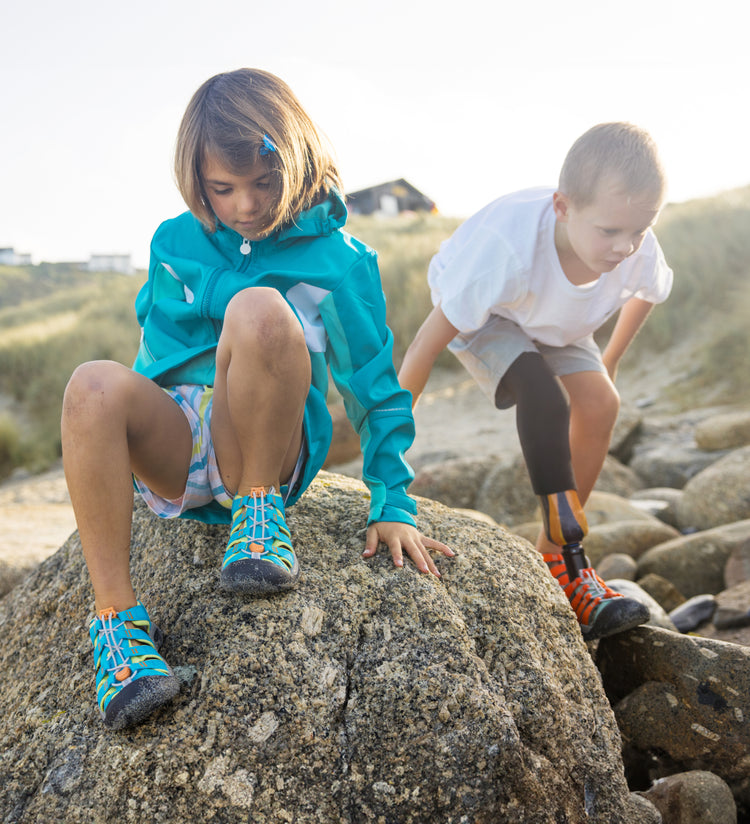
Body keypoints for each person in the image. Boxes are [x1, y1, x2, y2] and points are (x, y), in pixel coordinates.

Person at [61, 68, 453, 731]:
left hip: (268, 447)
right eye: (223, 188)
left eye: (263, 183)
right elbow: (152, 356)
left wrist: (392, 499)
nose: (245, 204)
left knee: (261, 307)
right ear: (196, 180)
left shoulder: (340, 260)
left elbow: (374, 389)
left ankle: (257, 512)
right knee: (89, 384)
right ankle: (117, 632)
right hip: (183, 443)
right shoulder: (172, 243)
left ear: (296, 162)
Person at [399, 122, 673, 641]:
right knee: (544, 396)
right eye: (610, 231)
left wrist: (609, 361)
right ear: (563, 206)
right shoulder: (503, 252)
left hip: (556, 320)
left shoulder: (634, 241)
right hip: (490, 312)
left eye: (639, 230)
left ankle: (552, 558)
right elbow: (424, 346)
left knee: (601, 403)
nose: (625, 247)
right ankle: (573, 558)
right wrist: (386, 442)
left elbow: (648, 292)